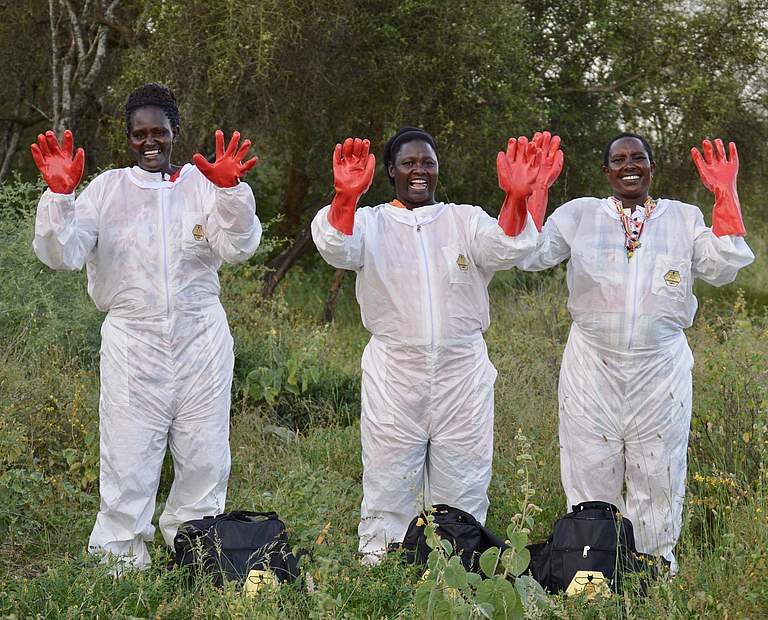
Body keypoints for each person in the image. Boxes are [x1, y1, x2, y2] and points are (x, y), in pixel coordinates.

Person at [31, 83, 262, 571]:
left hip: (202, 340)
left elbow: (238, 248)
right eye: (141, 133)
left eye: (160, 131)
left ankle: (198, 551)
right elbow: (62, 254)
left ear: (175, 132)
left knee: (204, 457)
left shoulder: (200, 184)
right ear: (129, 137)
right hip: (133, 344)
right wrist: (58, 198)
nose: (150, 141)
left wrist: (229, 191)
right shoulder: (108, 190)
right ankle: (118, 559)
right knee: (129, 457)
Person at [311, 127, 561, 564]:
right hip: (395, 370)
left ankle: (457, 567)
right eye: (408, 163)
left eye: (427, 162)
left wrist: (518, 198)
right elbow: (336, 246)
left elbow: (506, 248)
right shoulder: (370, 222)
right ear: (390, 171)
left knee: (463, 476)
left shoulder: (463, 219)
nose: (419, 170)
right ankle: (383, 568)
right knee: (390, 477)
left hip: (461, 370)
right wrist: (345, 197)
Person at [518, 132, 755, 571]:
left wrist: (726, 192)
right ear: (606, 170)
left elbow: (723, 265)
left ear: (651, 167)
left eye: (639, 158)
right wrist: (534, 191)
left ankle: (652, 570)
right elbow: (529, 254)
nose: (630, 165)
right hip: (592, 364)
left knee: (659, 471)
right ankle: (592, 568)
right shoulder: (580, 215)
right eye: (619, 159)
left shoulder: (683, 218)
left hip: (660, 367)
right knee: (590, 467)